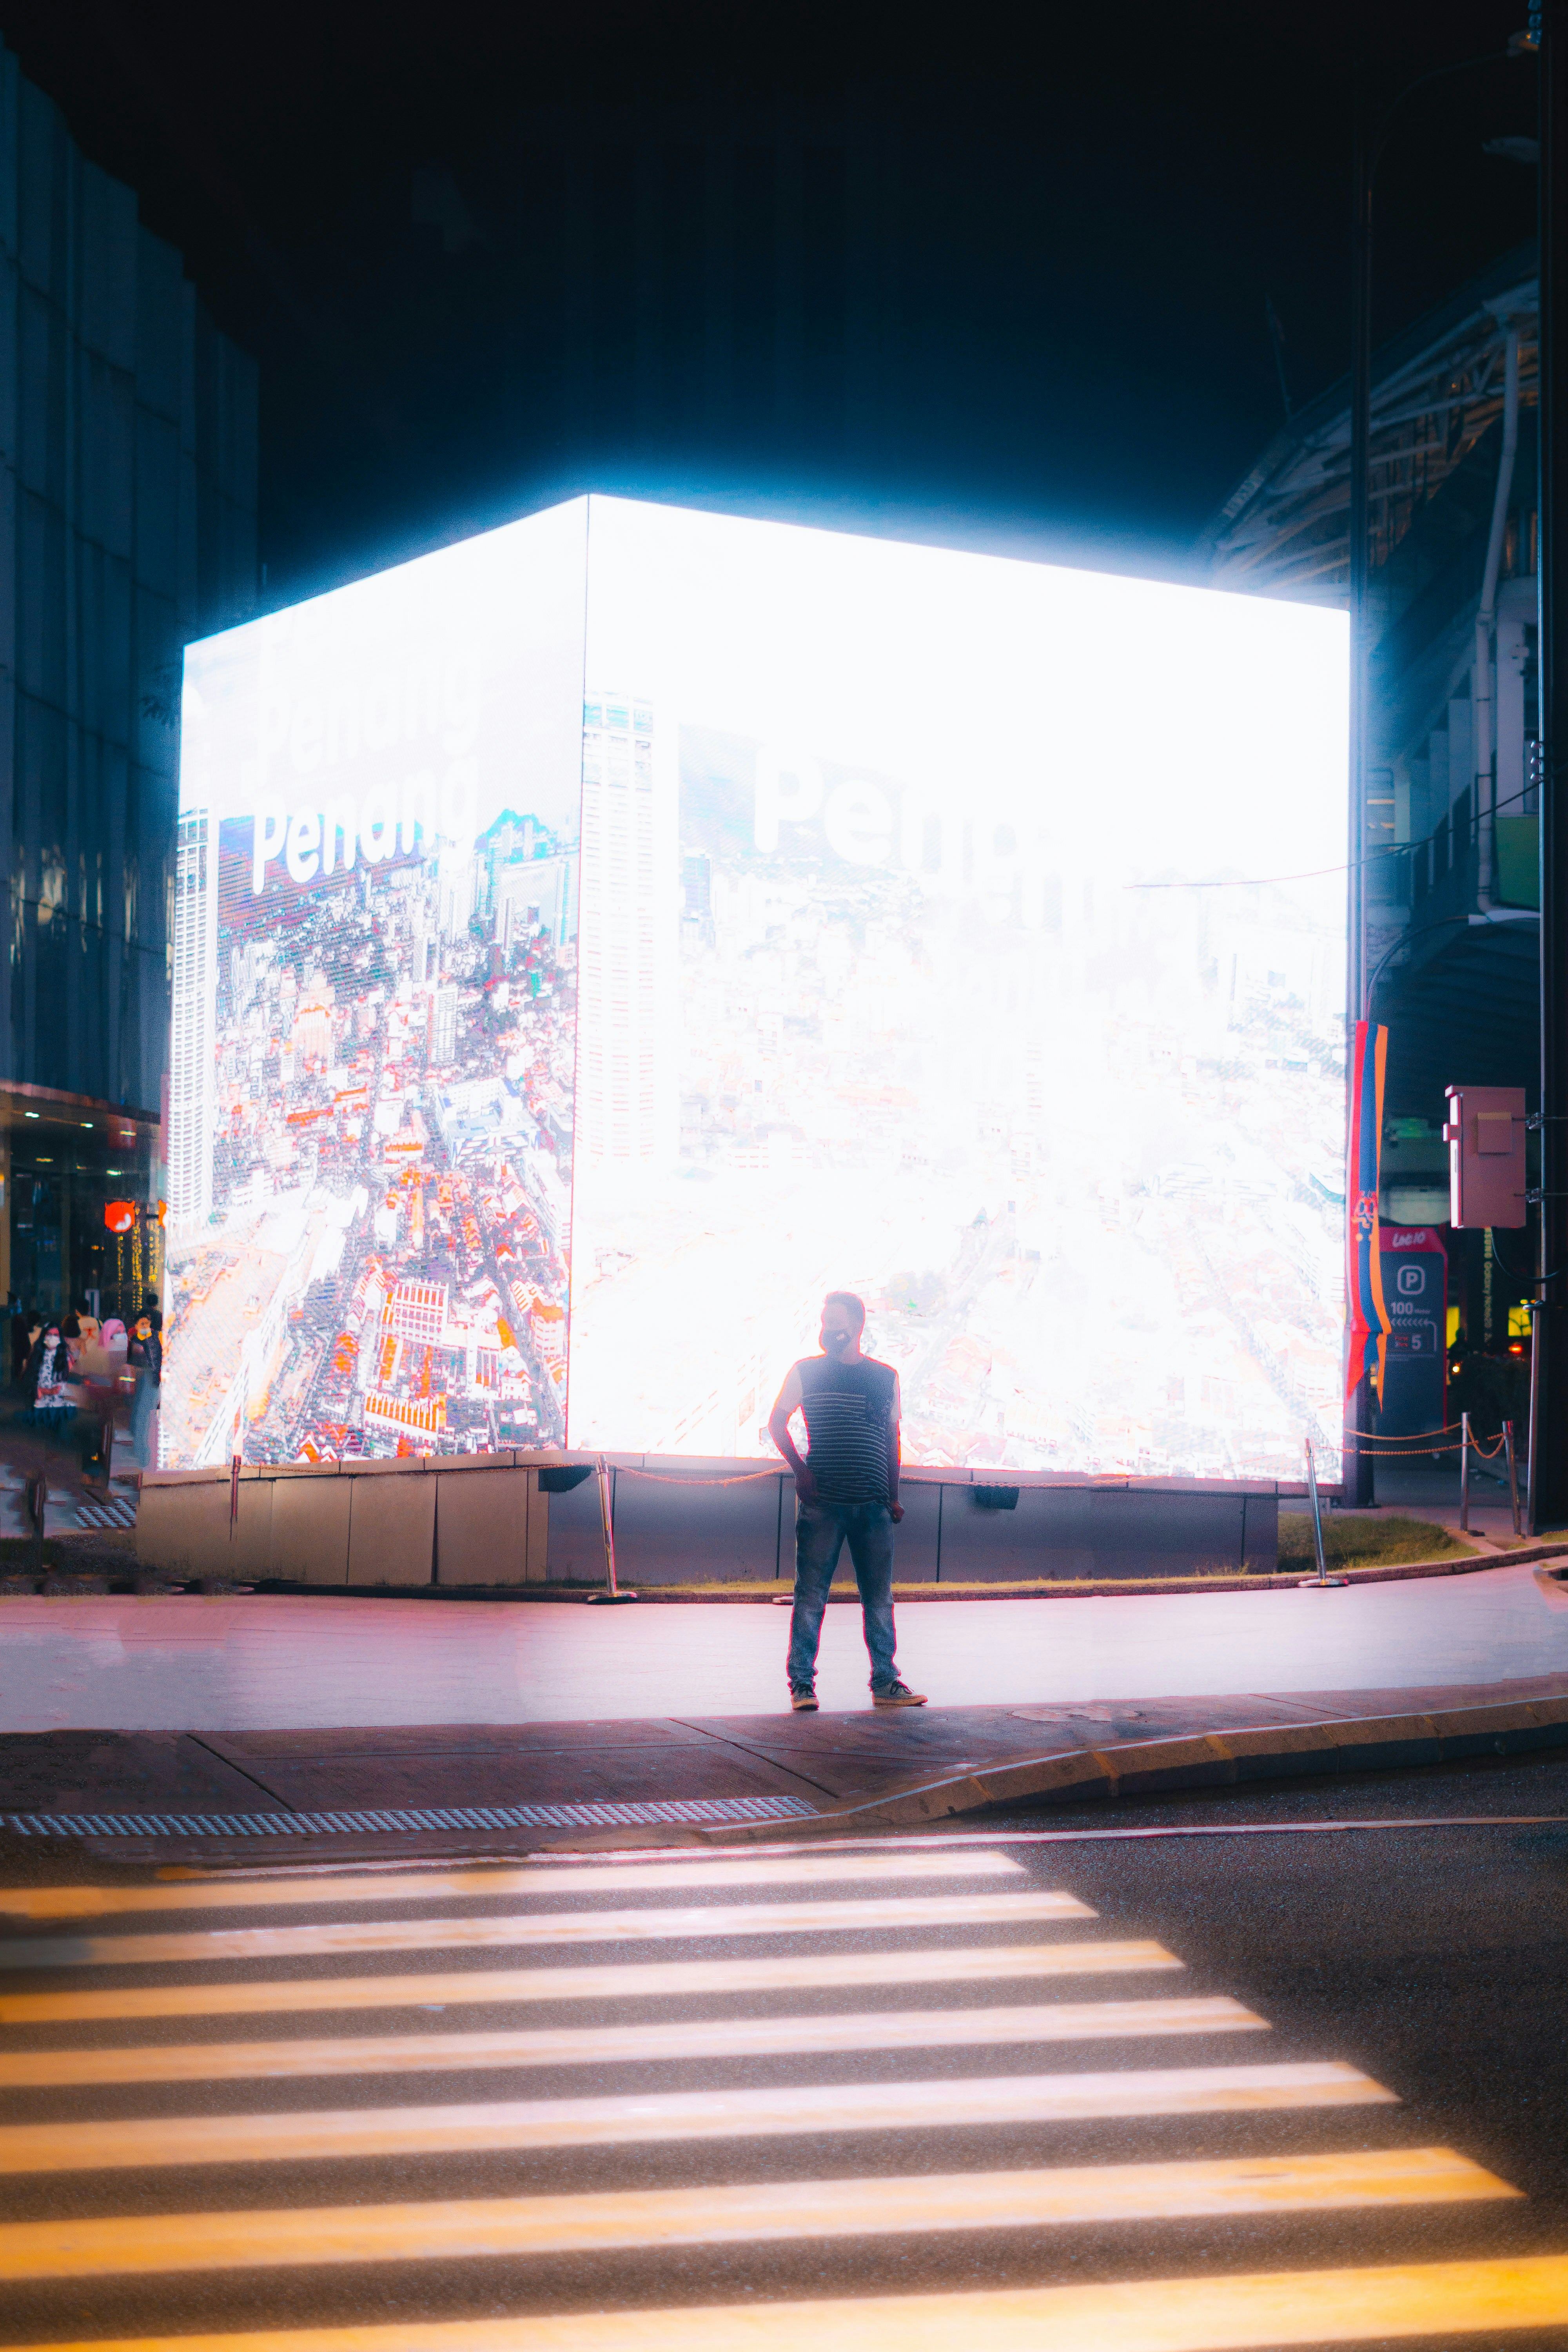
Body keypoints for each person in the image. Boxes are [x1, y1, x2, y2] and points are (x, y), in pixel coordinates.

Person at [766, 1290, 926, 1713]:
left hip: (873, 1505)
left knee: (879, 1599)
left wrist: (893, 1497)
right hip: (824, 1503)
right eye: (824, 1322)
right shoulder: (805, 1372)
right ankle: (802, 1685)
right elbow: (775, 1423)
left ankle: (885, 1683)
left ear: (857, 1326)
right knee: (810, 1596)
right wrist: (801, 1472)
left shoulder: (884, 1377)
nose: (827, 1331)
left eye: (835, 1323)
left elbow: (891, 1439)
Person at [126, 1311, 162, 1468]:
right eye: (142, 1324)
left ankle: (140, 1449)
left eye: (147, 1324)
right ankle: (142, 1454)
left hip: (152, 1379)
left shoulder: (156, 1337)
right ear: (136, 1325)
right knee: (142, 1415)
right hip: (144, 1379)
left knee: (143, 1415)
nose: (145, 1326)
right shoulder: (137, 1339)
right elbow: (135, 1358)